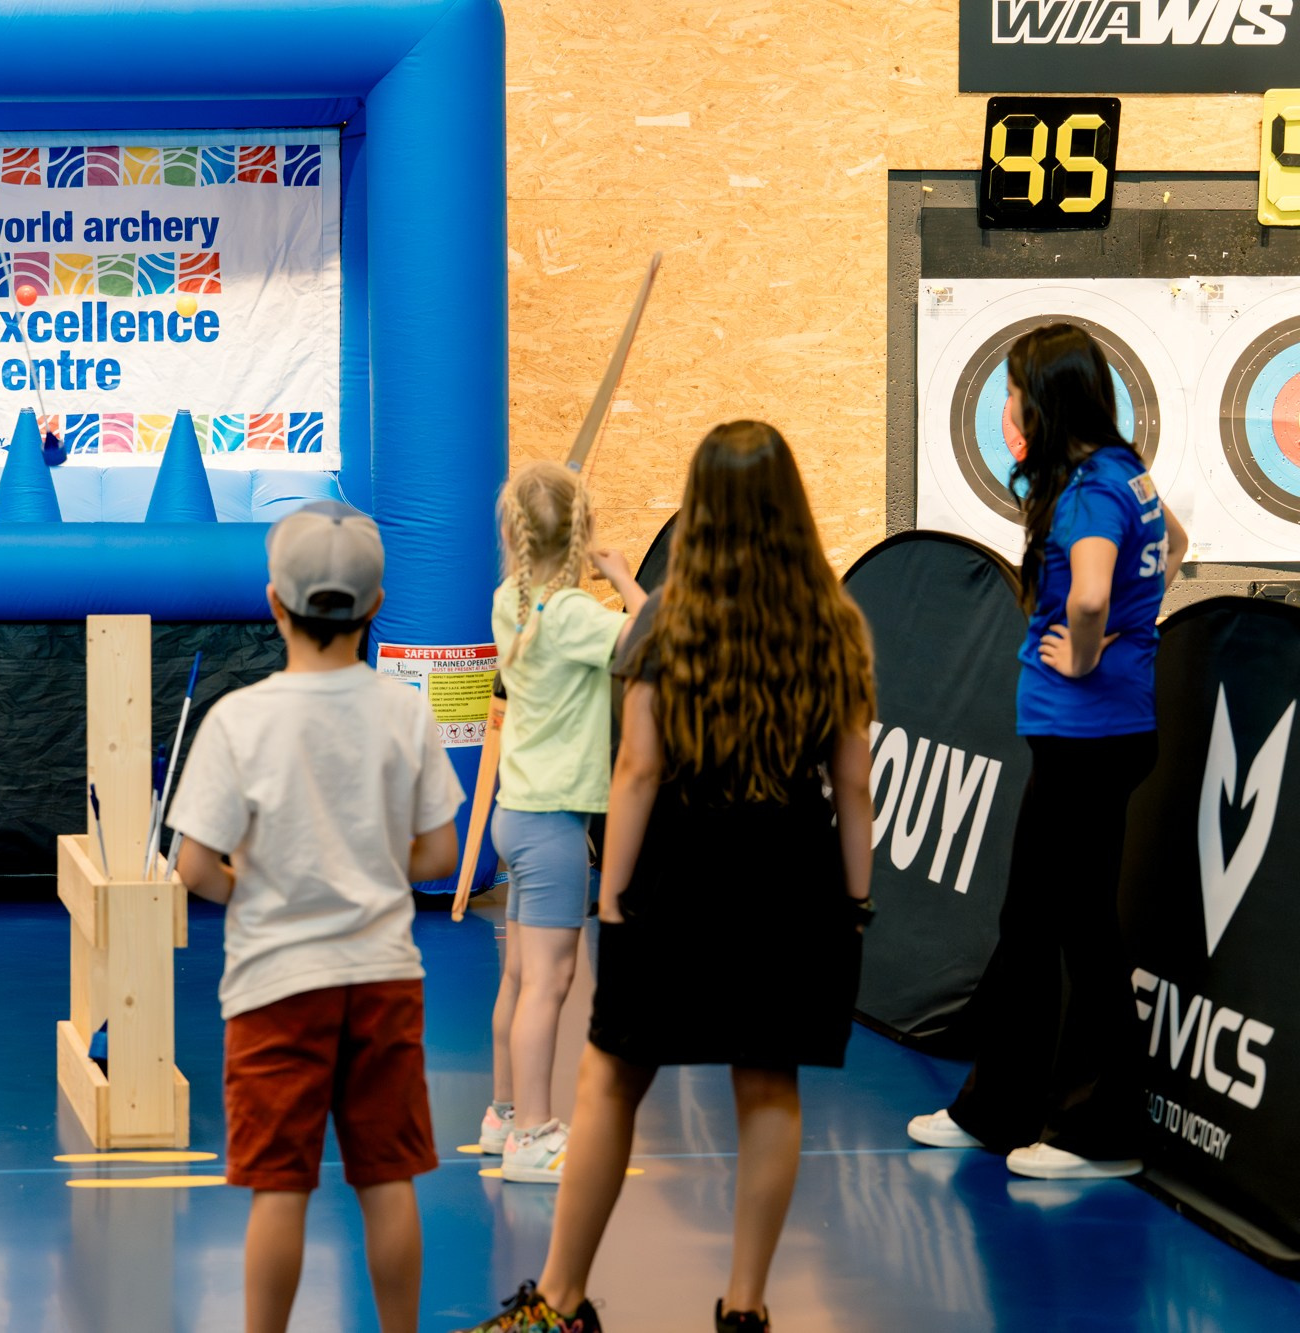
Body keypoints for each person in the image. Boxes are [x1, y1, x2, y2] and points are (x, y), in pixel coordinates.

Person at [456, 421, 877, 1333]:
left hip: (681, 869)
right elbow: (852, 782)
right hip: (794, 875)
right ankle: (747, 1308)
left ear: (704, 513)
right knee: (769, 1085)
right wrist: (854, 899)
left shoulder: (667, 622)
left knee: (611, 1077)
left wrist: (615, 896)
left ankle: (560, 1302)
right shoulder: (836, 625)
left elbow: (638, 770)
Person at [169, 502, 465, 1333]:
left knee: (280, 1187)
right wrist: (374, 866)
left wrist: (258, 888)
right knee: (387, 1178)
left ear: (273, 603)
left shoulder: (239, 720)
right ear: (375, 609)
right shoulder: (404, 712)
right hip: (382, 980)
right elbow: (440, 856)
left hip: (274, 987)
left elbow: (195, 865)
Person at [908, 322, 1188, 1180]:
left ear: (1049, 398)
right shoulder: (1121, 474)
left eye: (1015, 386)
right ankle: (997, 1106)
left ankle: (1102, 1132)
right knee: (1028, 923)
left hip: (1090, 740)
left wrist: (1091, 646)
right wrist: (1126, 629)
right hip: (1087, 738)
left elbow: (1096, 589)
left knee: (1082, 934)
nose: (1007, 404)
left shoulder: (1090, 496)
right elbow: (1174, 544)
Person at [478, 462, 645, 1183]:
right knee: (550, 982)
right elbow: (648, 638)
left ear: (514, 534)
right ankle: (534, 1136)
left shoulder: (508, 600)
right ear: (580, 536)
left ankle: (503, 1115)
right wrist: (626, 577)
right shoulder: (575, 614)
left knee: (519, 975)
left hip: (516, 814)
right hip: (550, 826)